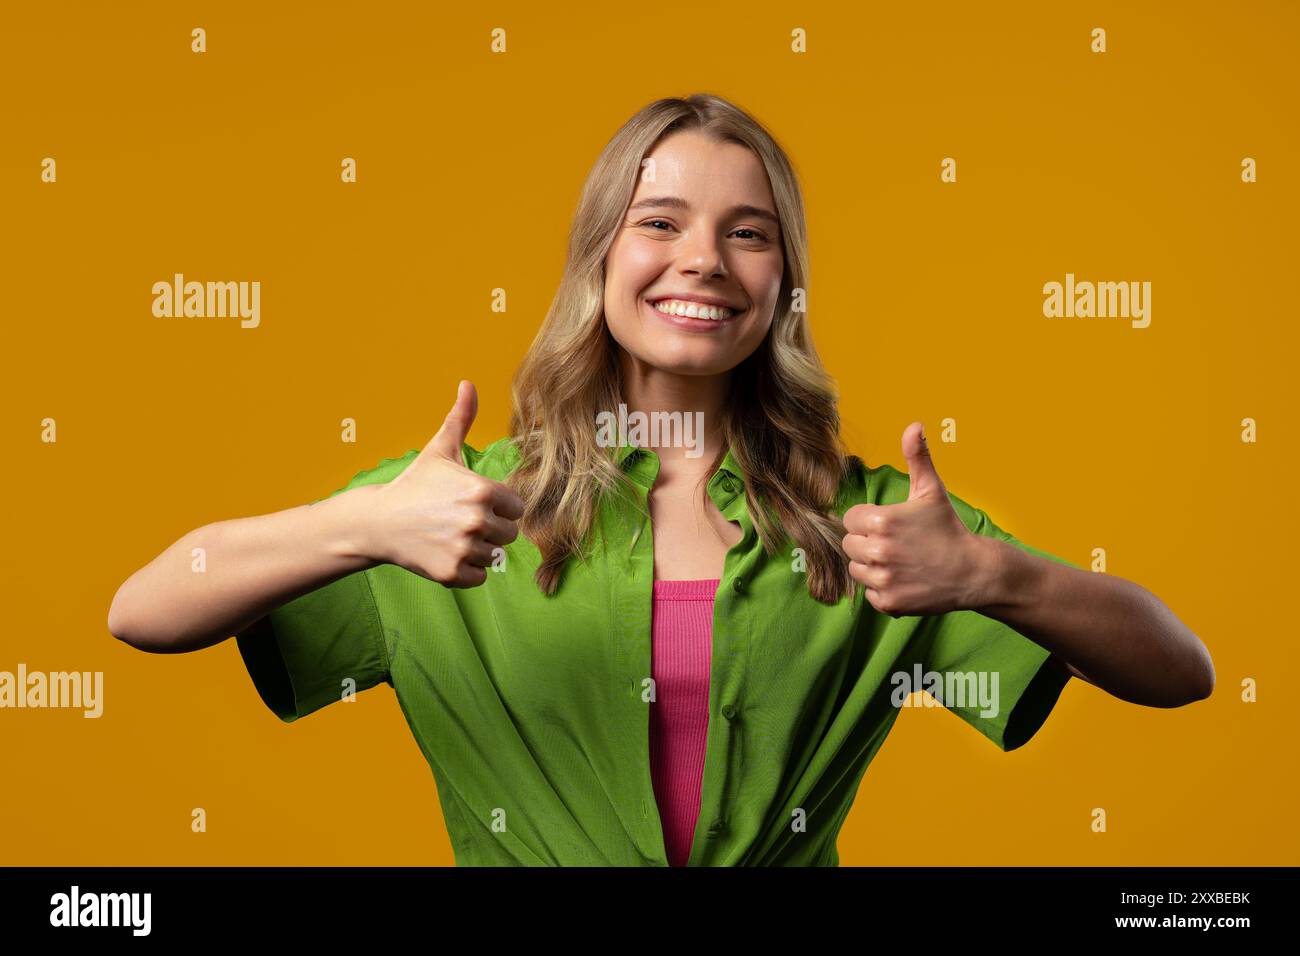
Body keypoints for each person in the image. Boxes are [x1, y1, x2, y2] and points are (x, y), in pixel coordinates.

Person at [108, 93, 1214, 867]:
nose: (703, 260)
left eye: (749, 234)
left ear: (782, 282)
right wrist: (357, 521)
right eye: (658, 222)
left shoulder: (876, 524)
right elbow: (144, 611)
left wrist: (993, 574)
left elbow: (1180, 669)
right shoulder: (444, 511)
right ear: (600, 258)